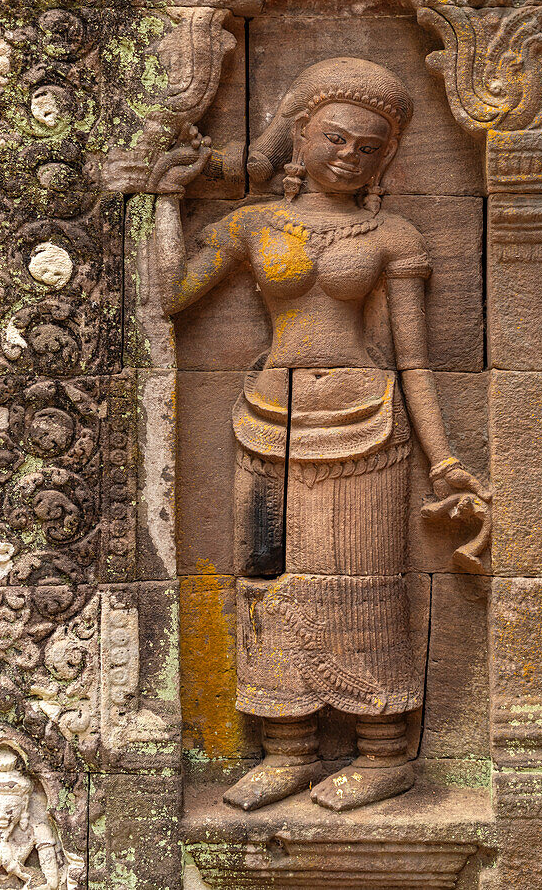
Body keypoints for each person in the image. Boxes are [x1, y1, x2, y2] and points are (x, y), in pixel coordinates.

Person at [155, 57, 490, 811]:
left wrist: (446, 462)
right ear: (300, 134)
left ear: (388, 158)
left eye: (368, 148)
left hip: (367, 428)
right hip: (266, 422)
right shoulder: (251, 223)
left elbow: (413, 362)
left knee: (365, 585)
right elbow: (166, 297)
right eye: (334, 138)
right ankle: (288, 750)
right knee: (266, 583)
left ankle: (382, 753)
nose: (348, 155)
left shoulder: (391, 233)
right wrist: (155, 191)